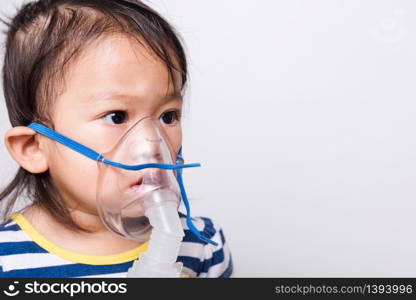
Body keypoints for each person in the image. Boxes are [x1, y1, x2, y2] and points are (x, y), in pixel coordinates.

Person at [0, 0, 232, 278]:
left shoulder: (202, 246)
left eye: (168, 116)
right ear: (34, 148)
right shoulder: (8, 260)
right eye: (117, 116)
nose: (150, 143)